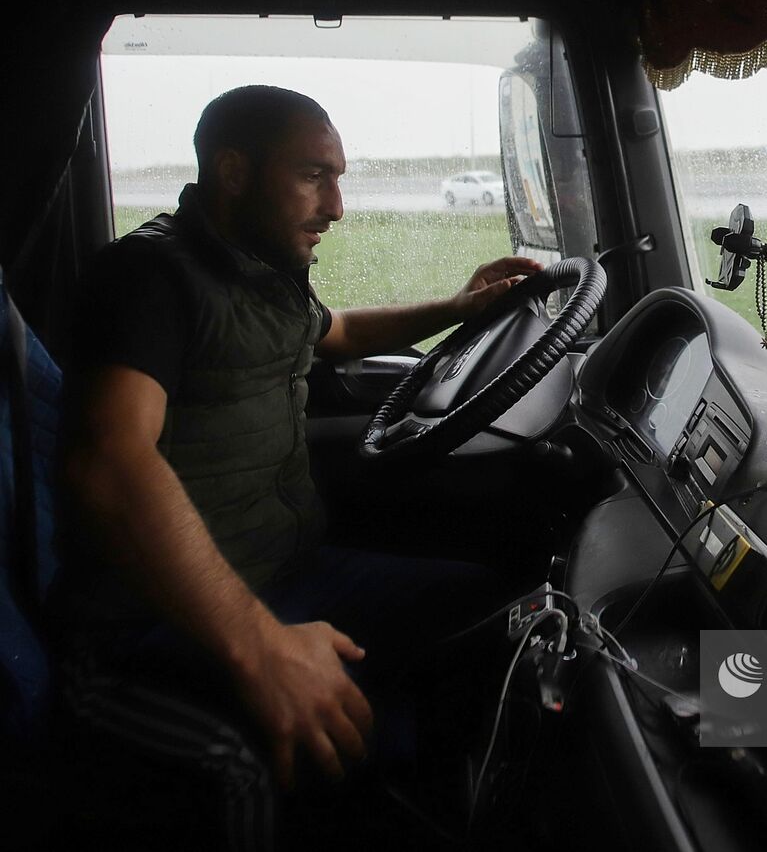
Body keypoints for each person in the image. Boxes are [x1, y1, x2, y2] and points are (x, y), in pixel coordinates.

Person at [49, 85, 539, 824]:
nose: (337, 206)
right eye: (314, 176)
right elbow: (111, 461)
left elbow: (330, 333)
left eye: (338, 177)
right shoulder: (149, 276)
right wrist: (262, 646)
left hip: (290, 571)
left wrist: (455, 310)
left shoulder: (260, 269)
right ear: (234, 172)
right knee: (240, 771)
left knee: (505, 610)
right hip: (158, 617)